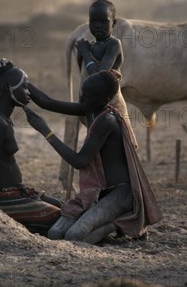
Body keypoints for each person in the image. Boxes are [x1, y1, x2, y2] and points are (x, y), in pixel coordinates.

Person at [26, 70, 162, 244]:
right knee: (55, 234)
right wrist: (23, 79)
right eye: (82, 93)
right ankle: (110, 223)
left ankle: (119, 223)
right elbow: (47, 103)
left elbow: (79, 161)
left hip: (120, 194)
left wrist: (46, 132)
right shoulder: (89, 107)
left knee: (74, 236)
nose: (81, 99)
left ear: (104, 101)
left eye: (87, 96)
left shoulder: (107, 121)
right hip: (99, 193)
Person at [0, 58, 61, 235]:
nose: (28, 93)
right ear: (8, 88)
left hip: (20, 193)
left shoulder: (1, 119)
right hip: (7, 199)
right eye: (24, 86)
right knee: (61, 218)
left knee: (64, 207)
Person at [75, 0, 138, 147]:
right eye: (93, 21)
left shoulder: (113, 44)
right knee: (98, 146)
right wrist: (83, 53)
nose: (98, 26)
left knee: (118, 146)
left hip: (112, 106)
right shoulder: (90, 47)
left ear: (114, 23)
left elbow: (99, 75)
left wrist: (85, 53)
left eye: (104, 22)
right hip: (95, 105)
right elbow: (84, 77)